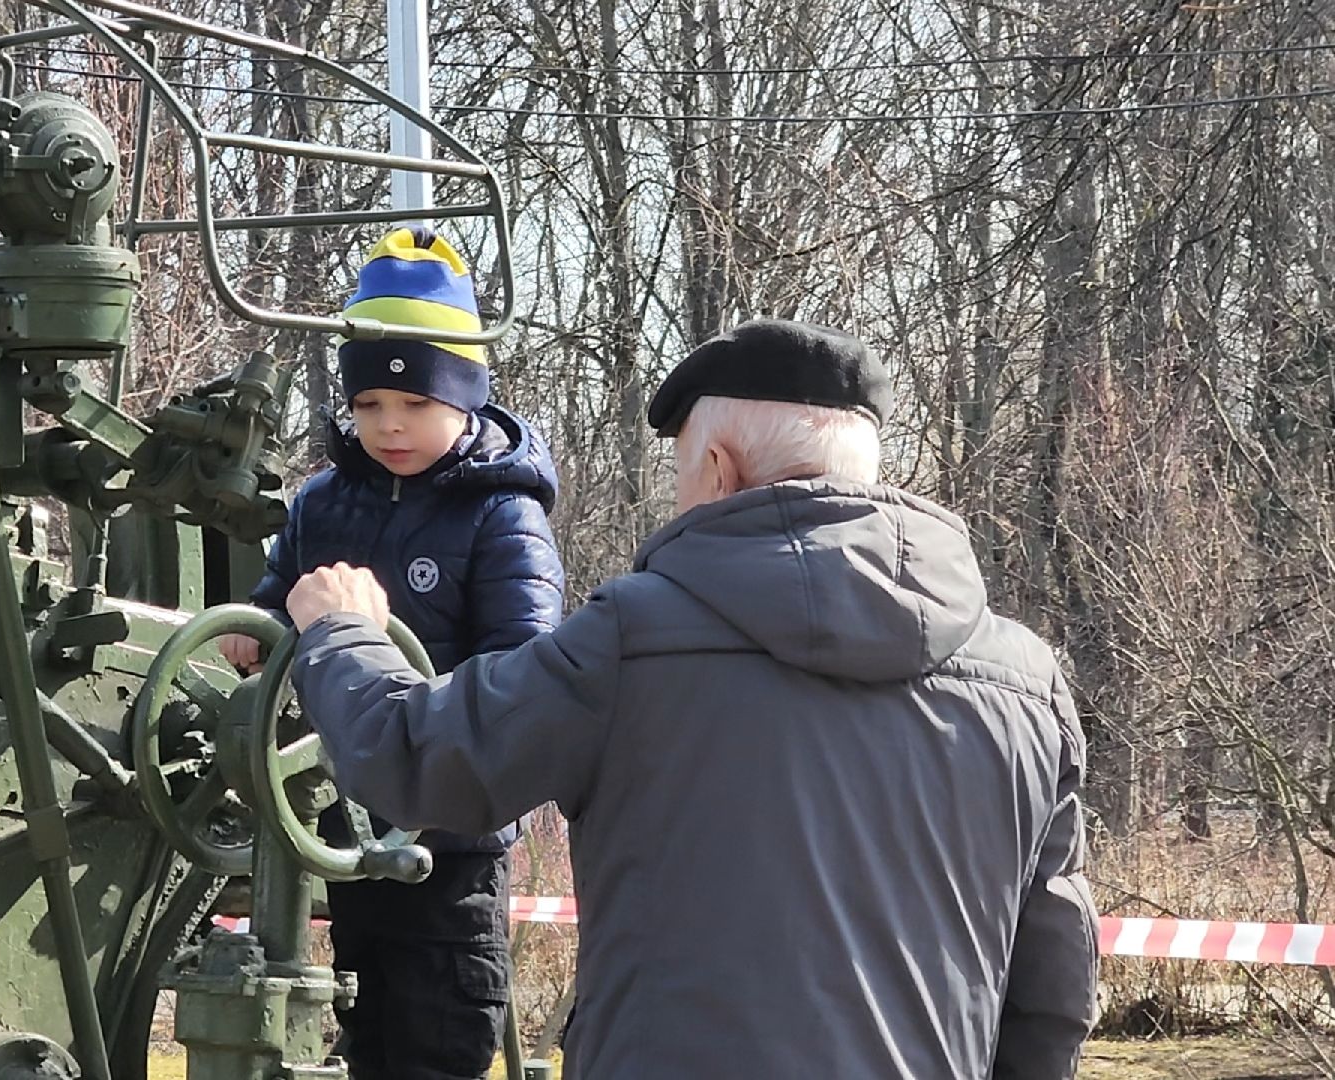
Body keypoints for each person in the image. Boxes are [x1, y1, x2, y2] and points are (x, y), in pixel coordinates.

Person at [278, 318, 1100, 1079]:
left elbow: (416, 759)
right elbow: (1054, 990)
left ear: (718, 470)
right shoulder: (1028, 686)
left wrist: (343, 633)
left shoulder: (632, 642)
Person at [219, 226, 566, 1080]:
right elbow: (278, 599)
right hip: (346, 826)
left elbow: (524, 668)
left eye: (415, 403)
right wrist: (252, 628)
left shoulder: (502, 515)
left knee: (439, 1033)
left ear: (467, 400)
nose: (390, 425)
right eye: (369, 404)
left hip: (451, 838)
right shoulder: (322, 504)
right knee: (361, 1030)